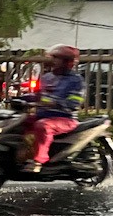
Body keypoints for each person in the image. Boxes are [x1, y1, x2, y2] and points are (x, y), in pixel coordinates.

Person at [22, 44, 85, 173]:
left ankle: (38, 161)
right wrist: (22, 98)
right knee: (20, 122)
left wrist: (55, 102)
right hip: (43, 115)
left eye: (57, 58)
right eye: (53, 58)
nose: (53, 61)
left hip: (65, 119)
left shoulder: (76, 81)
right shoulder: (47, 77)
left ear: (67, 62)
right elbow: (38, 95)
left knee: (42, 126)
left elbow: (74, 103)